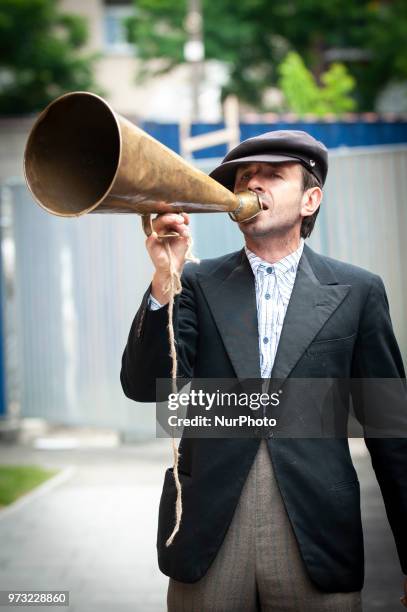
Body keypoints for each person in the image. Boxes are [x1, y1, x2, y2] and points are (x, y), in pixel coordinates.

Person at [120, 130, 407, 611]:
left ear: (310, 199)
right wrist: (163, 279)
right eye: (245, 176)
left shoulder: (359, 291)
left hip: (316, 527)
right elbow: (144, 387)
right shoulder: (192, 279)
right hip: (209, 527)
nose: (252, 184)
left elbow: (392, 432)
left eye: (273, 175)